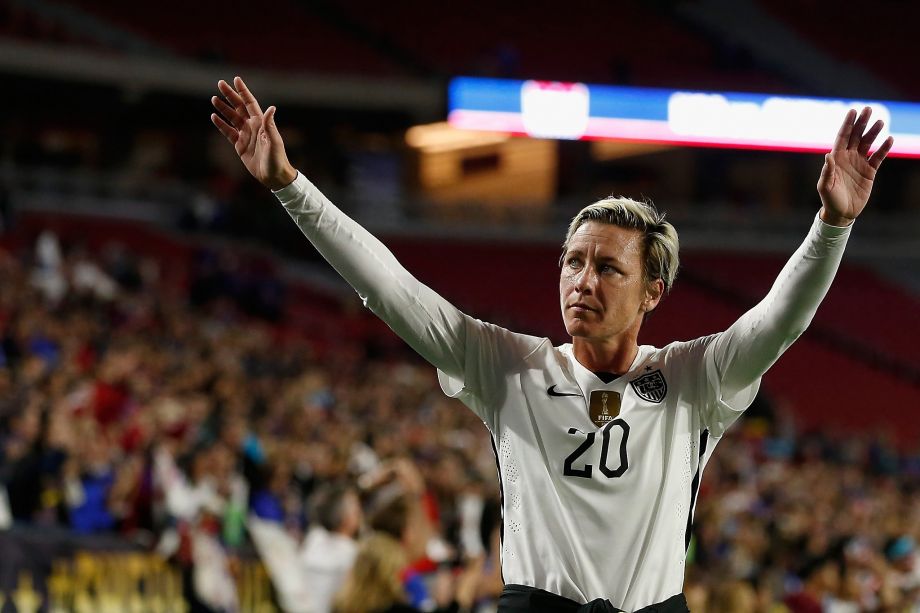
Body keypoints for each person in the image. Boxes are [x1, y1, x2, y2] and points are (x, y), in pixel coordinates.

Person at [210, 77, 893, 613]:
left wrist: (832, 225)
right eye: (573, 261)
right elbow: (392, 289)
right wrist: (290, 187)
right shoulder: (510, 365)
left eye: (607, 267)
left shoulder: (692, 379)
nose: (581, 281)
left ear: (653, 290)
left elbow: (779, 322)